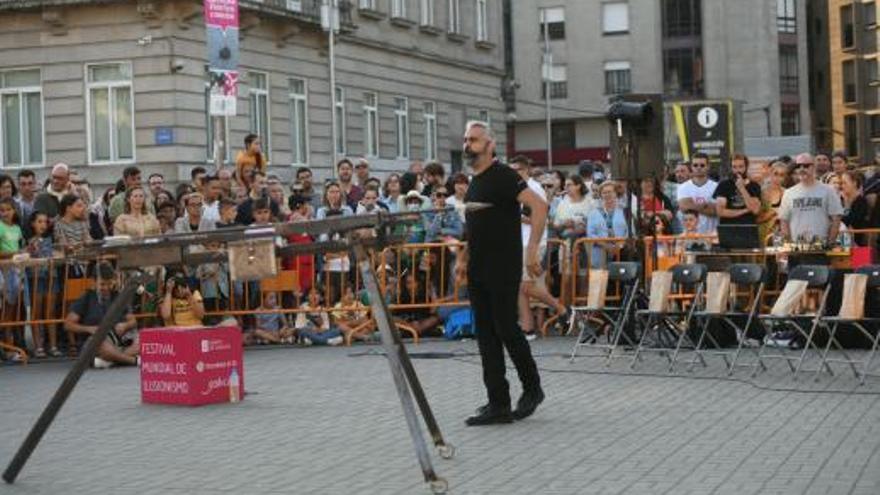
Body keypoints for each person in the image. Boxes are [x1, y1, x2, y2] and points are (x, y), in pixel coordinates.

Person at [456, 120, 546, 426]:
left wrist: (531, 249)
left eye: (475, 140)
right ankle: (498, 402)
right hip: (478, 266)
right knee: (485, 335)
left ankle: (532, 389)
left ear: (490, 144)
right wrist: (463, 257)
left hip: (503, 265)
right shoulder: (474, 181)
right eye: (466, 140)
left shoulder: (504, 175)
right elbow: (475, 225)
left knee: (506, 328)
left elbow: (539, 206)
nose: (468, 145)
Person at [509, 156, 567, 340]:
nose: (512, 172)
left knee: (526, 286)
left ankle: (562, 309)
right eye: (511, 169)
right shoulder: (516, 189)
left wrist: (510, 215)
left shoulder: (533, 189)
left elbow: (536, 218)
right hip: (520, 242)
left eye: (516, 169)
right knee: (520, 287)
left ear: (526, 170)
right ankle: (527, 328)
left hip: (533, 243)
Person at [64, 263, 139, 368]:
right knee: (100, 343)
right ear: (94, 282)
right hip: (97, 341)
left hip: (118, 340)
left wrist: (125, 325)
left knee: (142, 340)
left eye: (109, 284)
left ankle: (110, 360)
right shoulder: (86, 298)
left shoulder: (118, 296)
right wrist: (89, 329)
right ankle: (133, 361)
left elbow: (133, 321)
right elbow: (68, 324)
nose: (106, 288)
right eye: (102, 284)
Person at [778, 153, 844, 243]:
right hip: (796, 248)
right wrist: (789, 244)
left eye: (806, 166)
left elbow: (836, 218)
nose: (801, 169)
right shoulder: (788, 193)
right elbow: (784, 221)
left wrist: (830, 242)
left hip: (821, 246)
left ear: (813, 167)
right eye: (798, 166)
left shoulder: (828, 190)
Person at [25, 211, 61, 358]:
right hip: (36, 277)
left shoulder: (51, 240)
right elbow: (24, 255)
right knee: (37, 313)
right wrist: (29, 250)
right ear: (33, 223)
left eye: (45, 222)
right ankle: (38, 346)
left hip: (51, 277)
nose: (43, 225)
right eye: (39, 222)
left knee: (50, 312)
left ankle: (52, 345)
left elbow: (59, 254)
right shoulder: (28, 240)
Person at [587, 182, 629, 268]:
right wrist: (606, 246)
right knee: (600, 279)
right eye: (604, 192)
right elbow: (591, 233)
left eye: (610, 192)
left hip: (621, 253)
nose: (607, 195)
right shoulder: (593, 213)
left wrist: (620, 245)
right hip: (599, 253)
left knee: (619, 277)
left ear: (616, 193)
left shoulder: (625, 211)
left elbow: (629, 232)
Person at [713, 154, 762, 228]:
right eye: (734, 167)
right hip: (728, 228)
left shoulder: (754, 186)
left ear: (746, 167)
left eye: (741, 166)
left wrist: (742, 188)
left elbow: (755, 210)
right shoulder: (723, 185)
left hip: (748, 228)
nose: (738, 170)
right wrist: (745, 210)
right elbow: (720, 211)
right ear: (731, 168)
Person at [677, 153, 718, 234]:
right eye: (695, 165)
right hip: (690, 236)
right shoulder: (683, 187)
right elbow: (684, 208)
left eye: (702, 165)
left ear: (708, 166)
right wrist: (706, 205)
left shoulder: (716, 186)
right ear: (691, 167)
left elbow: (715, 211)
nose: (698, 168)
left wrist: (692, 205)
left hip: (711, 235)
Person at [553, 174, 592, 241]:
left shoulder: (590, 203)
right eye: (565, 185)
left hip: (586, 242)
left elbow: (596, 226)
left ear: (578, 186)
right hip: (565, 243)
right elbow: (556, 225)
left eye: (569, 185)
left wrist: (583, 225)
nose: (565, 188)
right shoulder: (562, 204)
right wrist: (564, 224)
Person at [841, 171, 871, 246]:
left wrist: (847, 206)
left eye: (845, 183)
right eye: (841, 183)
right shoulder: (841, 200)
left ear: (854, 183)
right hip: (842, 239)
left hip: (858, 242)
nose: (842, 186)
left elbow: (851, 222)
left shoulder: (861, 201)